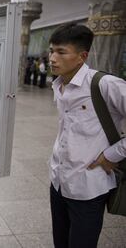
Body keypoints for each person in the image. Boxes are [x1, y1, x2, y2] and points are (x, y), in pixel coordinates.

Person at [48, 23, 126, 248]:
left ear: (82, 56)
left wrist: (114, 153)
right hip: (58, 181)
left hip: (88, 186)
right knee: (60, 242)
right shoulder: (59, 85)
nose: (53, 58)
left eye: (61, 52)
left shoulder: (105, 84)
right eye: (51, 50)